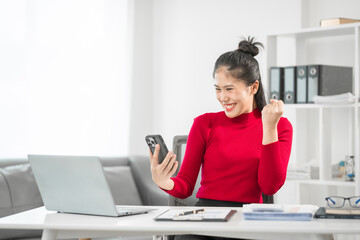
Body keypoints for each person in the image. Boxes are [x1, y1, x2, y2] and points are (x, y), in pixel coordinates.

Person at [149, 37, 293, 240]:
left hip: (247, 220)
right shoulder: (204, 124)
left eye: (229, 89)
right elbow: (185, 186)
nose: (222, 97)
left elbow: (269, 186)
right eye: (218, 89)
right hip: (204, 216)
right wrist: (163, 181)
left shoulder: (280, 126)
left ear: (253, 88)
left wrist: (269, 128)